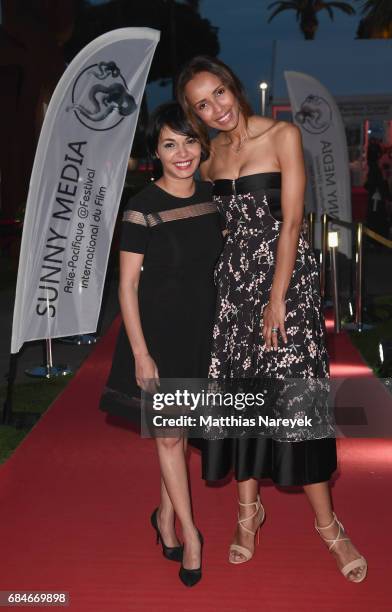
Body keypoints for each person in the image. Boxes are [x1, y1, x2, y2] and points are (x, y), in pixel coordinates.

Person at [176, 56, 367, 582]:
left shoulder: (282, 135)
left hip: (286, 284)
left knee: (296, 403)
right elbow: (202, 230)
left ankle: (329, 527)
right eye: (202, 104)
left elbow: (291, 223)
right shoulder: (209, 157)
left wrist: (278, 297)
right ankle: (246, 515)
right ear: (195, 113)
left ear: (232, 86)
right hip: (233, 291)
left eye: (219, 93)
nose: (216, 108)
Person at [100, 102, 223, 586]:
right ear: (155, 151)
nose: (182, 153)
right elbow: (126, 286)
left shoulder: (215, 197)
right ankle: (191, 536)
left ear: (201, 144)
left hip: (203, 331)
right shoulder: (142, 207)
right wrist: (141, 351)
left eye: (189, 140)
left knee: (182, 434)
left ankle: (164, 517)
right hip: (158, 335)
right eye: (169, 144)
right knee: (170, 436)